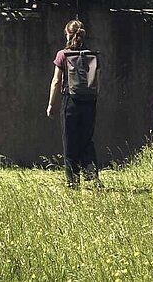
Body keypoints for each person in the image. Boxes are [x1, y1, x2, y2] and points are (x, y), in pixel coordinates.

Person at [46, 19, 99, 188]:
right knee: (86, 140)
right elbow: (99, 82)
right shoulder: (92, 55)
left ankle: (72, 180)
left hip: (70, 102)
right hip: (89, 102)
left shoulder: (63, 55)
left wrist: (51, 104)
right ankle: (92, 176)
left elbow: (56, 81)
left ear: (67, 34)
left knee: (70, 140)